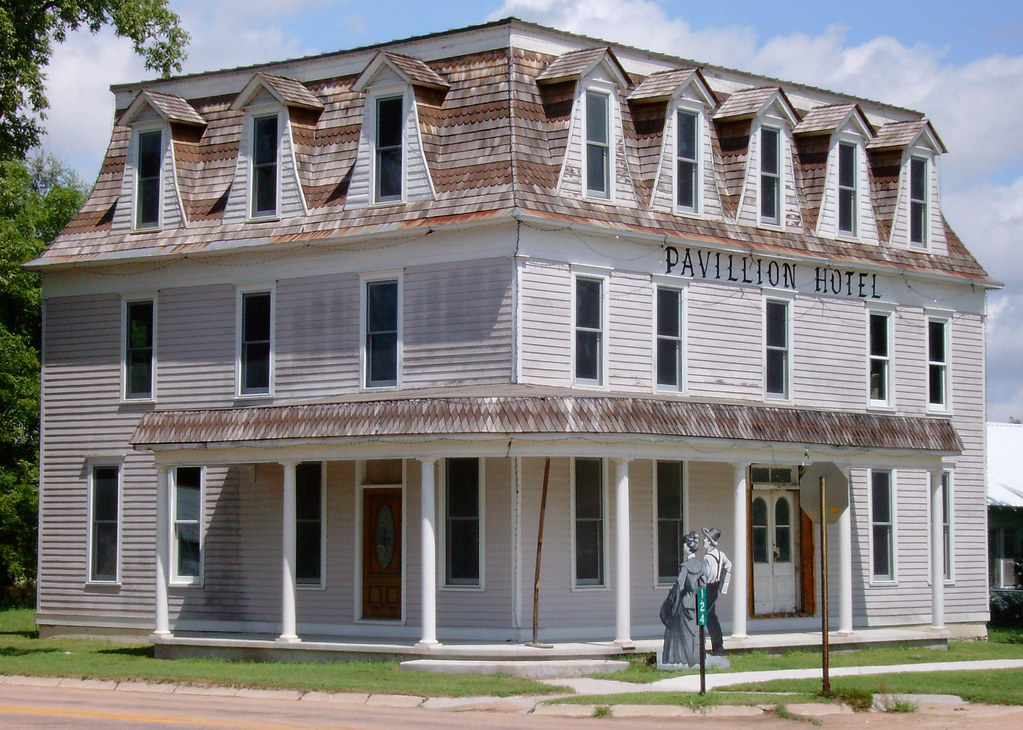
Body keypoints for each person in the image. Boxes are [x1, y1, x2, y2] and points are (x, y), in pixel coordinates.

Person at [659, 531, 708, 667]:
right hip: (697, 604)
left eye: (684, 545)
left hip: (685, 603)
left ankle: (685, 659)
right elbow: (703, 585)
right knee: (695, 633)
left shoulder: (685, 567)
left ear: (687, 547)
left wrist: (670, 600)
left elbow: (679, 586)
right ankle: (697, 658)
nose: (683, 547)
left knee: (683, 634)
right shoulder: (701, 565)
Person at [702, 527, 732, 655]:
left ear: (710, 542)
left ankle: (714, 646)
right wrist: (721, 580)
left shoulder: (708, 557)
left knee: (705, 616)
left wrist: (707, 580)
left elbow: (709, 574)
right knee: (711, 616)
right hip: (714, 587)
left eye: (706, 539)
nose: (704, 541)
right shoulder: (721, 554)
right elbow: (729, 565)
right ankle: (718, 646)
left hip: (708, 587)